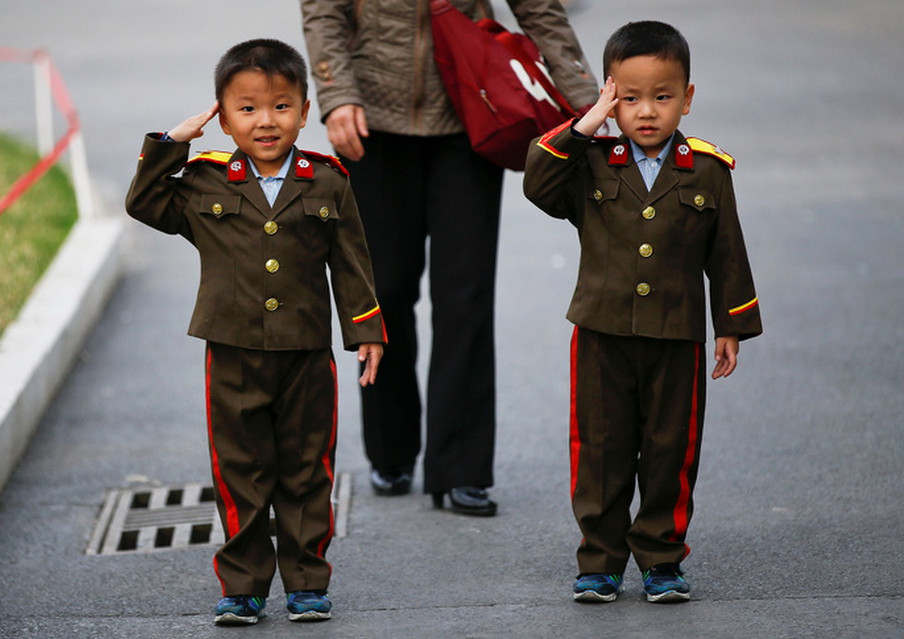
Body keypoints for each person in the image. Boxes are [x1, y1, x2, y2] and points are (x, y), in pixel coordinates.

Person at [300, 0, 600, 516]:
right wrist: (337, 92)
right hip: (373, 119)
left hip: (470, 111)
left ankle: (461, 465)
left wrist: (591, 106)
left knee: (465, 293)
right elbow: (324, 12)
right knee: (385, 291)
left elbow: (541, 11)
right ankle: (391, 449)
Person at [125, 38, 386, 626]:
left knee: (306, 469)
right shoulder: (202, 181)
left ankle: (306, 583)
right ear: (222, 113)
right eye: (246, 108)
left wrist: (366, 330)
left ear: (304, 108)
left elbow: (351, 262)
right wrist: (172, 144)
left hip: (305, 351)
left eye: (280, 106)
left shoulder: (327, 180)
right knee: (240, 471)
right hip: (233, 350)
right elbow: (144, 204)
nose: (265, 121)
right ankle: (242, 586)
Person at [523, 21, 763, 603]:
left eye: (662, 96)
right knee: (600, 450)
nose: (646, 111)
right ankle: (600, 561)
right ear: (610, 95)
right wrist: (587, 122)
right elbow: (537, 182)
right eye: (628, 98)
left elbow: (726, 252)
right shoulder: (590, 162)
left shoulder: (706, 169)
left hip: (676, 336)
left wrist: (729, 325)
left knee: (669, 450)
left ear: (687, 97)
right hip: (601, 333)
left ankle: (661, 559)